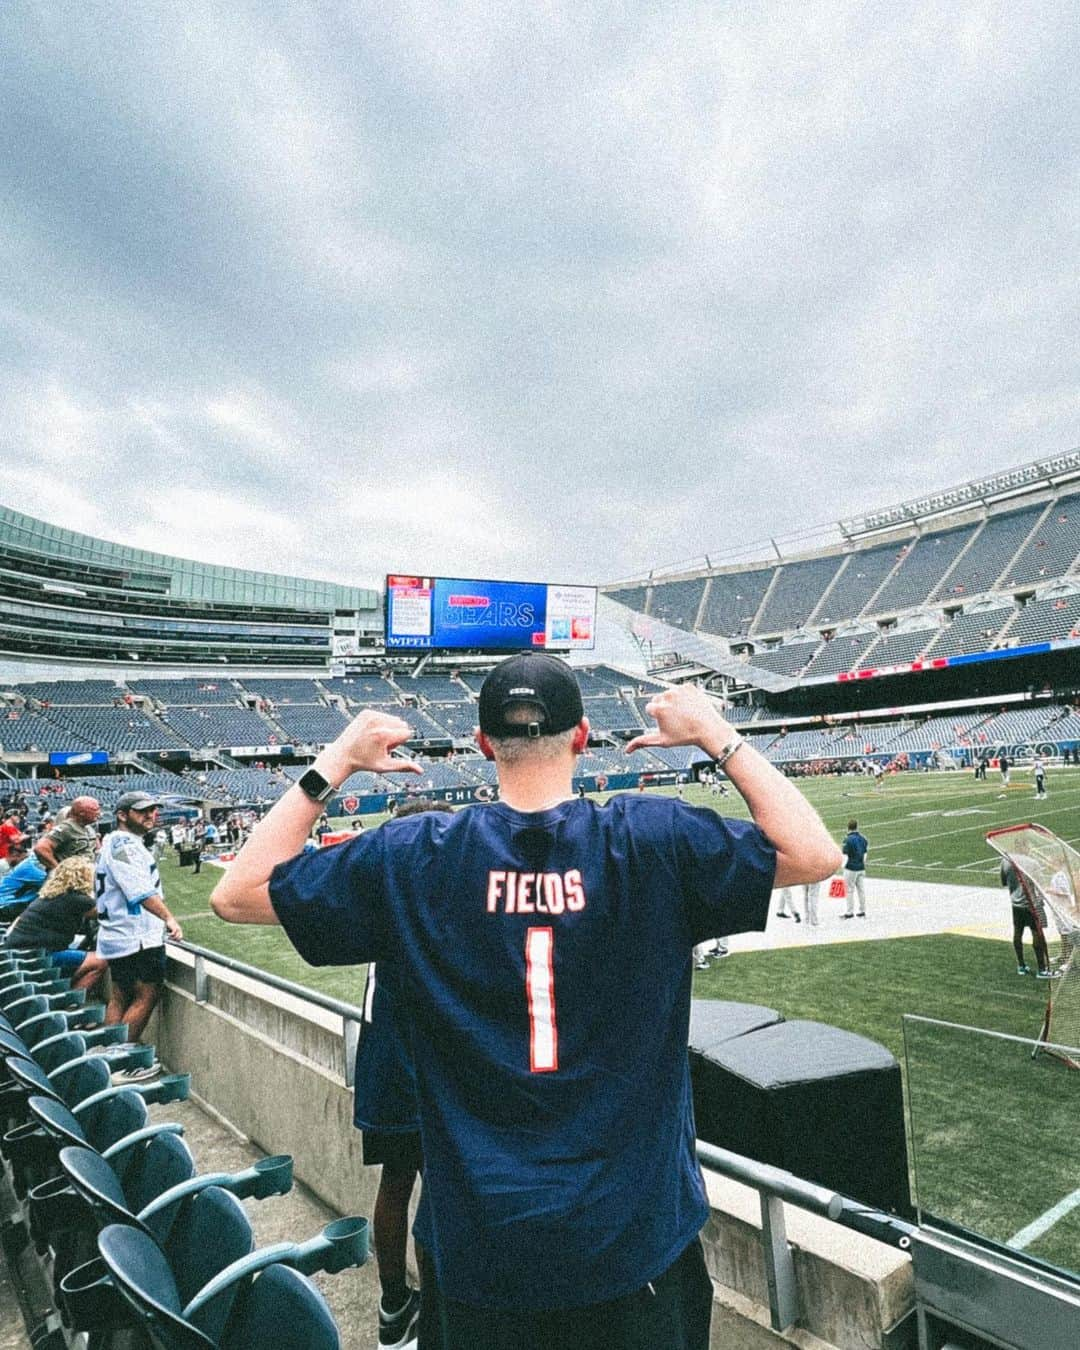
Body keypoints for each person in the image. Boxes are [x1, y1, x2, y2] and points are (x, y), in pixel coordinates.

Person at [211, 657, 840, 1350]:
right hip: (633, 1239)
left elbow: (236, 893)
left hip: (481, 1245)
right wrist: (717, 736)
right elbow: (814, 853)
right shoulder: (650, 838)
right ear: (583, 736)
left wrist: (334, 762)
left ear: (482, 744)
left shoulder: (414, 852)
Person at [357, 800, 453, 1350]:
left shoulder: (379, 896)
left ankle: (394, 1307)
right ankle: (436, 1318)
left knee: (395, 1182)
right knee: (440, 1192)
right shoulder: (443, 900)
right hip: (429, 1059)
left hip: (384, 1057)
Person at [95, 791, 183, 1082]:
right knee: (147, 993)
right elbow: (140, 891)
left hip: (118, 932)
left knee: (120, 995)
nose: (151, 815)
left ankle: (109, 1056)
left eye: (153, 810)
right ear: (122, 814)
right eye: (142, 811)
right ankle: (121, 1062)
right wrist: (168, 917)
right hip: (135, 934)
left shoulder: (113, 841)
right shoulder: (124, 845)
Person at [2, 856, 107, 993]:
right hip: (38, 956)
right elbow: (106, 914)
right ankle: (67, 997)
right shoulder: (79, 900)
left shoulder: (48, 895)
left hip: (18, 952)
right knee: (100, 961)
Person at [1001, 859, 1057, 978]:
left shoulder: (1005, 861)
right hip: (1031, 904)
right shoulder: (1032, 863)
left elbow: (1004, 882)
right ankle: (1042, 969)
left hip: (1015, 904)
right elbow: (1040, 884)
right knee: (1037, 934)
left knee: (1017, 933)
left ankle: (1021, 965)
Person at [33, 796, 101, 871]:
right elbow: (40, 848)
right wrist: (58, 870)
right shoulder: (66, 828)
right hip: (68, 879)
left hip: (85, 877)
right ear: (81, 812)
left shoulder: (89, 829)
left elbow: (96, 850)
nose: (99, 813)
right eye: (95, 810)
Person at [841, 818, 869, 918]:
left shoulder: (847, 840)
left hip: (851, 868)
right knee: (861, 890)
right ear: (857, 827)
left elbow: (845, 856)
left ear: (848, 828)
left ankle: (849, 912)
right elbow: (865, 854)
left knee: (849, 890)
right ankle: (862, 910)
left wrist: (843, 867)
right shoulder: (863, 839)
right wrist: (862, 864)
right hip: (861, 867)